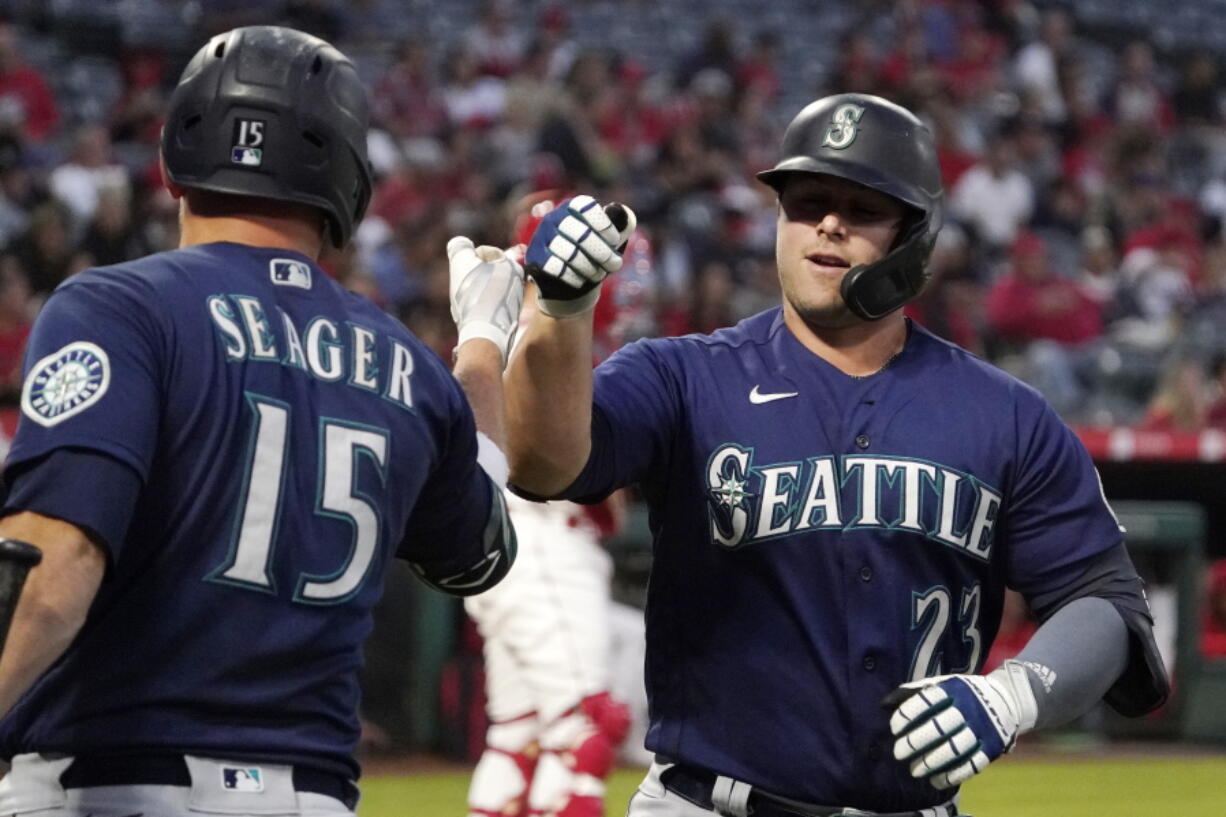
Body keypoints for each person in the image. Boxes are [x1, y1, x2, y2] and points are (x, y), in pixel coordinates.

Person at [501, 93, 1169, 816]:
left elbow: (1105, 601)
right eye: (807, 200)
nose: (828, 222)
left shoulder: (1004, 412)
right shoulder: (682, 375)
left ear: (913, 238)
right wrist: (561, 316)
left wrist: (1011, 695)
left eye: (862, 207)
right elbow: (546, 464)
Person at [0, 26, 524, 817]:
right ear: (345, 180)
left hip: (111, 782)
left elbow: (58, 564)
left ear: (179, 155)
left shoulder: (116, 308)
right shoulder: (410, 366)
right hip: (309, 795)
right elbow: (481, 551)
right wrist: (483, 344)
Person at [464, 195, 633, 817]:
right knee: (586, 728)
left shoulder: (500, 312)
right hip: (539, 536)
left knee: (519, 733)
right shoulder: (535, 321)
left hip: (513, 539)